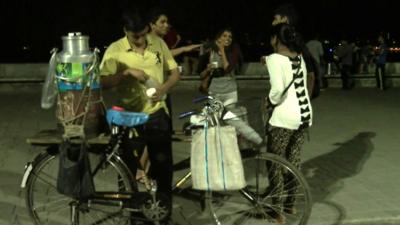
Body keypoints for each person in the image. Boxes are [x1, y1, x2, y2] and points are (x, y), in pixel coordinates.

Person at [99, 10, 180, 225]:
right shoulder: (115, 50)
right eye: (136, 37)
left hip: (156, 114)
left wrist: (164, 88)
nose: (142, 40)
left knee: (163, 169)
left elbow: (174, 72)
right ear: (125, 31)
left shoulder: (158, 43)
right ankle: (133, 217)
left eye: (144, 34)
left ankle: (163, 216)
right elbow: (102, 83)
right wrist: (126, 73)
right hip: (128, 118)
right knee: (127, 172)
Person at [265, 23, 313, 224]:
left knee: (275, 162)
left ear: (276, 39)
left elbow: (277, 90)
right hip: (303, 116)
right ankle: (289, 204)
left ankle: (276, 211)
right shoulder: (300, 56)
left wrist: (269, 101)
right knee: (293, 162)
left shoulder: (275, 59)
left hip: (284, 118)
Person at [271, 3, 320, 99]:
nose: (273, 23)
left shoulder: (295, 41)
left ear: (285, 19)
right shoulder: (281, 41)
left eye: (276, 19)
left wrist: (306, 101)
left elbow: (310, 74)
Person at [197, 28, 243, 109]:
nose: (228, 39)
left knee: (229, 118)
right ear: (218, 38)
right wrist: (207, 70)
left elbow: (227, 68)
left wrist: (222, 50)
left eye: (230, 37)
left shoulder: (233, 51)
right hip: (214, 91)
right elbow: (201, 75)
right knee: (214, 118)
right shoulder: (210, 52)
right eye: (224, 36)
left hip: (230, 91)